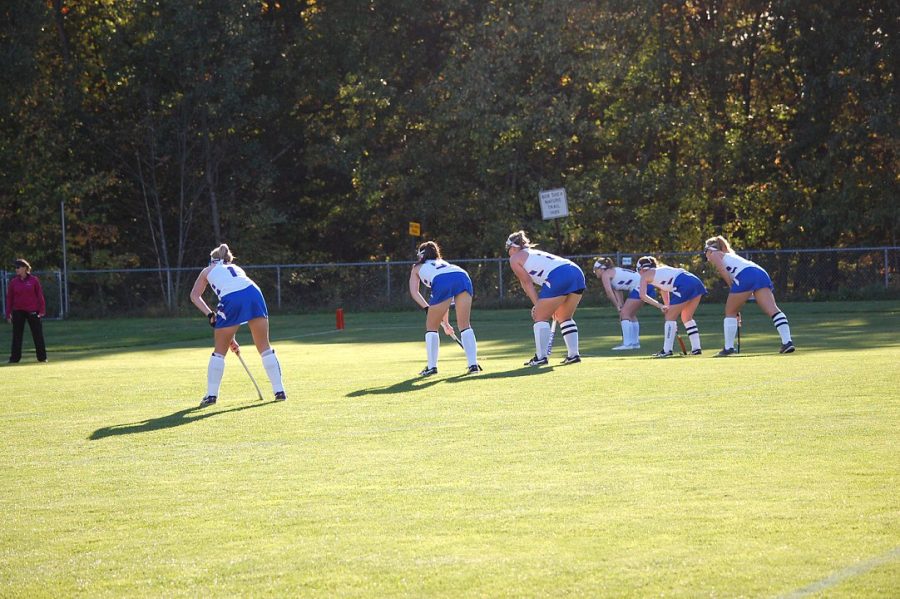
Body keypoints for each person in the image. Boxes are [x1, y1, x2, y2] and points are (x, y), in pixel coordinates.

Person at [189, 244, 286, 406]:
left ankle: (211, 395)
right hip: (254, 293)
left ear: (211, 260)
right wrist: (230, 338)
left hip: (231, 299)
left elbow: (194, 296)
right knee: (265, 347)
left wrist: (210, 314)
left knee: (219, 352)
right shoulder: (236, 268)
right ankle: (280, 391)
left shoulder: (207, 271)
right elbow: (238, 303)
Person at [703, 235, 795, 355]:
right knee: (772, 309)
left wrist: (732, 288)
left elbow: (722, 270)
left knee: (729, 312)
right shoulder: (731, 256)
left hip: (746, 275)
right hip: (760, 273)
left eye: (705, 252)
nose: (706, 256)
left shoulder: (715, 254)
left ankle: (728, 348)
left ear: (710, 250)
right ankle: (787, 342)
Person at [506, 230, 586, 366]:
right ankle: (573, 355)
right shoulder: (533, 252)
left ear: (512, 248)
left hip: (559, 275)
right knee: (564, 316)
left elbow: (527, 283)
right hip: (576, 271)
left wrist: (537, 305)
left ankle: (541, 357)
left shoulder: (514, 258)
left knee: (539, 316)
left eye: (508, 249)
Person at [409, 241, 482, 376]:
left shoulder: (417, 267)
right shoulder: (443, 264)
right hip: (462, 276)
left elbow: (414, 292)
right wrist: (446, 323)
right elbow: (445, 302)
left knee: (431, 327)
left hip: (443, 281)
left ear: (421, 255)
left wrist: (426, 307)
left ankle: (432, 367)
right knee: (465, 325)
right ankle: (473, 365)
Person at [636, 256, 707, 357]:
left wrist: (660, 306)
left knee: (669, 318)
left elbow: (642, 295)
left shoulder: (645, 275)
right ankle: (696, 349)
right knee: (686, 317)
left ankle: (667, 350)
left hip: (684, 284)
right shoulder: (660, 272)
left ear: (641, 269)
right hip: (696, 282)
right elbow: (664, 290)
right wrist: (667, 307)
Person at [592, 256, 656, 350]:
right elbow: (618, 290)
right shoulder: (613, 272)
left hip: (641, 285)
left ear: (601, 269)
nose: (595, 272)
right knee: (631, 314)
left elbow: (609, 293)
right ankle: (635, 343)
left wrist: (618, 306)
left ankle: (627, 344)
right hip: (646, 285)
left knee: (625, 314)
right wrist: (620, 305)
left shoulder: (605, 274)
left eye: (595, 270)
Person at [5, 258, 48, 363]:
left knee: (37, 334)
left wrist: (42, 310)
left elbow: (39, 296)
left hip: (33, 310)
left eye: (18, 267)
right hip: (18, 311)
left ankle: (42, 358)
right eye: (15, 267)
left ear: (24, 268)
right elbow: (9, 298)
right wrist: (8, 313)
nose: (16, 269)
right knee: (17, 336)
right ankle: (14, 358)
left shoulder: (34, 280)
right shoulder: (14, 282)